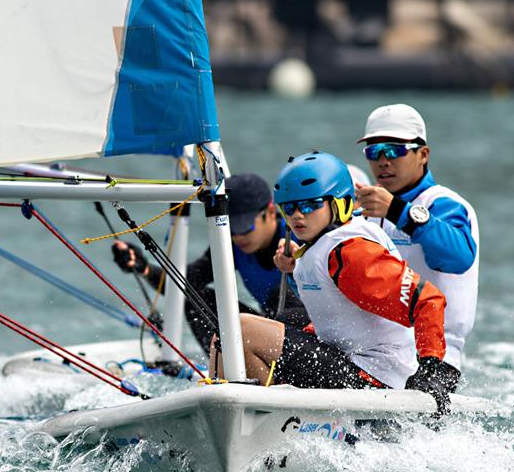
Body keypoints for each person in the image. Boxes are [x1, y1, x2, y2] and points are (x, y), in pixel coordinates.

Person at [218, 152, 457, 415]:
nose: (298, 216)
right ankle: (265, 425)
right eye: (290, 208)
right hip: (348, 362)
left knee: (239, 331)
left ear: (338, 203)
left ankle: (260, 429)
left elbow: (428, 300)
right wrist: (296, 265)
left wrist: (433, 370)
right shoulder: (323, 244)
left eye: (309, 205)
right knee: (229, 333)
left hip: (376, 381)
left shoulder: (351, 253)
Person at [354, 104, 478, 391]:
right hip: (374, 351)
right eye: (374, 152)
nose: (383, 161)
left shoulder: (445, 204)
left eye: (395, 150)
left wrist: (398, 211)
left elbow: (458, 257)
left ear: (423, 154)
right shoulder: (367, 211)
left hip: (433, 358)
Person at [112, 173, 306, 352]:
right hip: (269, 337)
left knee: (277, 298)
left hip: (310, 339)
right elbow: (186, 283)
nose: (238, 236)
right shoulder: (232, 246)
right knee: (196, 299)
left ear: (271, 212)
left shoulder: (296, 237)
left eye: (244, 227)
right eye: (231, 228)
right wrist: (144, 268)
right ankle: (225, 367)